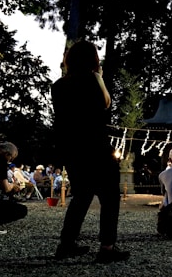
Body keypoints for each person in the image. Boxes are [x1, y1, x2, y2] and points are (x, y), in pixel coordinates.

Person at [51, 39, 129, 263]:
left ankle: (66, 244)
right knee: (110, 197)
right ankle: (107, 247)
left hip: (73, 148)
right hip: (96, 145)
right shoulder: (93, 79)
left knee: (81, 197)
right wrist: (100, 77)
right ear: (93, 59)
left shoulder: (58, 85)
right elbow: (106, 103)